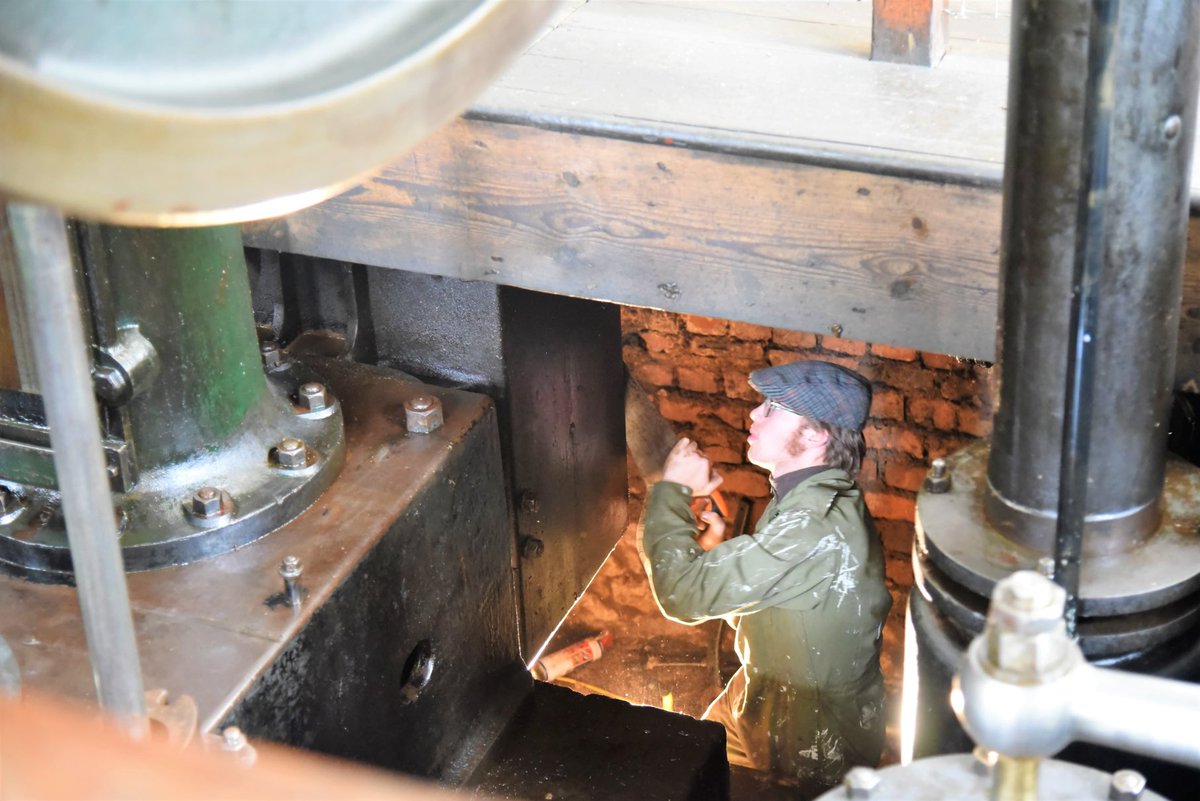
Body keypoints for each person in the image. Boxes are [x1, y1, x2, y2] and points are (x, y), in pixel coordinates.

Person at [636, 360, 891, 791]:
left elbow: (680, 595)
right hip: (761, 694)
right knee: (692, 769)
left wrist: (672, 489)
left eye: (772, 407)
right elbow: (775, 601)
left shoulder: (812, 525)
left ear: (815, 434)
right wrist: (717, 554)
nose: (754, 414)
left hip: (807, 736)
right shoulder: (806, 498)